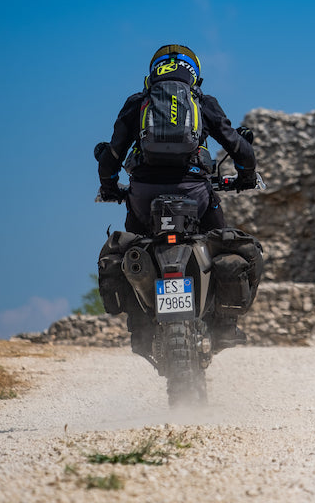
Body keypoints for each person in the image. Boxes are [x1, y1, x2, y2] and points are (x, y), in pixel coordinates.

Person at [96, 43, 256, 353]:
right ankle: (225, 327)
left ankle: (140, 329)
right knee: (221, 243)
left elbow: (112, 155)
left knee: (132, 247)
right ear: (194, 75)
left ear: (152, 74)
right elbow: (239, 148)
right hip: (194, 192)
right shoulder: (202, 102)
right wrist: (246, 177)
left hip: (143, 197)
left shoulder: (137, 103)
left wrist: (109, 186)